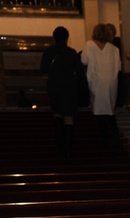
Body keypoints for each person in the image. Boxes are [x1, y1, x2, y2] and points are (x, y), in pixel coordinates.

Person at [40, 26, 83, 157]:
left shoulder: (48, 52)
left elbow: (43, 69)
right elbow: (79, 72)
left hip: (54, 86)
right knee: (68, 117)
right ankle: (68, 149)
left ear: (54, 38)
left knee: (57, 114)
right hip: (69, 87)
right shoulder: (72, 52)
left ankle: (59, 145)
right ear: (67, 38)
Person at [81, 23, 121, 143]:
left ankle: (105, 137)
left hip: (96, 81)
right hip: (111, 82)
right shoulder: (114, 49)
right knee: (110, 110)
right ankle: (114, 137)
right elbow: (119, 67)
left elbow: (84, 60)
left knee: (99, 110)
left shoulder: (89, 44)